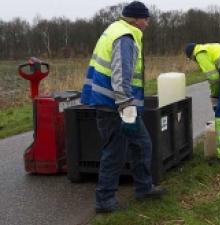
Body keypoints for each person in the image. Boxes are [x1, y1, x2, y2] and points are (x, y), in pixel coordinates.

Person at [80, 1, 166, 213]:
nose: (147, 23)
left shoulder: (115, 30)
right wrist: (126, 106)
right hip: (115, 106)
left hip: (113, 103)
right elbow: (121, 76)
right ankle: (105, 201)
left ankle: (143, 188)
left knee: (141, 145)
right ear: (135, 19)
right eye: (145, 19)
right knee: (115, 152)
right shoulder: (125, 37)